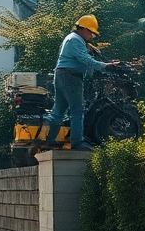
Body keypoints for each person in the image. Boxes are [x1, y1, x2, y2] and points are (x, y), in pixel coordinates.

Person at [45, 15, 118, 149]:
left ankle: (49, 139)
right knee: (77, 109)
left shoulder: (71, 38)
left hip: (62, 75)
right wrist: (105, 66)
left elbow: (80, 57)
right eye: (91, 32)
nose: (91, 36)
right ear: (84, 29)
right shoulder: (76, 40)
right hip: (71, 77)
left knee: (59, 110)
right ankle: (77, 142)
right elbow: (85, 59)